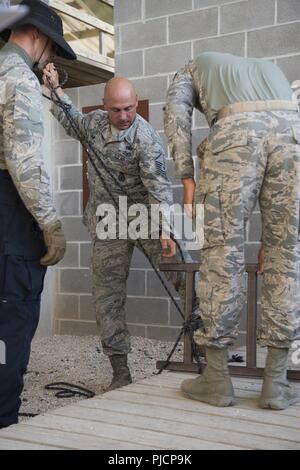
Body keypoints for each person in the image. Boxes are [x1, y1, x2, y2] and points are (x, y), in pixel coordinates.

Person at [43, 68, 199, 391]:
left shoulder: (146, 138)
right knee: (107, 296)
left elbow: (159, 189)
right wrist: (56, 89)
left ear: (136, 104)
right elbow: (70, 117)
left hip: (145, 215)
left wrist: (166, 231)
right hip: (106, 222)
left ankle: (205, 348)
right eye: (116, 109)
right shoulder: (95, 124)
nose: (125, 115)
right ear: (105, 106)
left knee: (183, 273)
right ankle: (120, 372)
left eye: (129, 108)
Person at [164, 52, 300, 410]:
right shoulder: (268, 68)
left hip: (235, 136)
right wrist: (271, 242)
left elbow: (176, 116)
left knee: (222, 254)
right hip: (293, 133)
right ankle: (276, 382)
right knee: (286, 256)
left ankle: (218, 379)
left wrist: (187, 178)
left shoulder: (190, 68)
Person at [0, 0, 76, 428]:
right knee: (10, 321)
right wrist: (50, 223)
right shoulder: (17, 78)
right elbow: (24, 161)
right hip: (10, 217)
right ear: (39, 36)